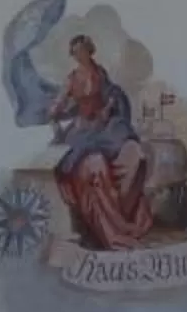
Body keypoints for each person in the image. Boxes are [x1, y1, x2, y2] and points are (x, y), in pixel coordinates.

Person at [48, 35, 159, 249]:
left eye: (83, 51)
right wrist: (55, 118)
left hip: (104, 127)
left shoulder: (100, 73)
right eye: (76, 52)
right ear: (73, 55)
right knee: (90, 161)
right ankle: (110, 229)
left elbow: (110, 96)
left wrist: (108, 109)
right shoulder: (72, 79)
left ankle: (121, 215)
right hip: (82, 129)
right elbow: (58, 104)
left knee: (132, 150)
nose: (80, 55)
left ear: (90, 51)